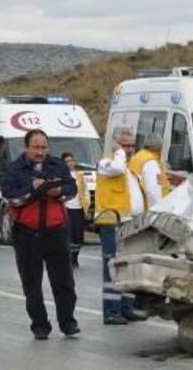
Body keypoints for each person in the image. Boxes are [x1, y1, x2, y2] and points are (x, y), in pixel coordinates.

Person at [0, 129, 79, 340]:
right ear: (27, 147)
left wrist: (58, 191)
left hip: (56, 232)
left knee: (64, 282)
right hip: (27, 234)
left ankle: (68, 322)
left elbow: (72, 189)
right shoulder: (14, 168)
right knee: (32, 284)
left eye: (44, 147)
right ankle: (40, 325)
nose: (40, 152)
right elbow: (9, 195)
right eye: (36, 147)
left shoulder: (57, 165)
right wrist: (33, 188)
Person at [95, 126, 149, 325]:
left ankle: (126, 308)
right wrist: (117, 150)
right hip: (113, 223)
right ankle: (111, 311)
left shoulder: (130, 170)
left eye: (132, 145)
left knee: (129, 268)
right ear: (116, 144)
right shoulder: (107, 163)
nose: (129, 149)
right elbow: (116, 168)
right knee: (112, 268)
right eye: (125, 145)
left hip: (131, 223)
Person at [61, 152, 90, 270]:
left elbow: (85, 191)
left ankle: (75, 256)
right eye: (67, 161)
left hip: (79, 209)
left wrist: (86, 205)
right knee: (69, 234)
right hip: (67, 208)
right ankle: (68, 259)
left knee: (78, 236)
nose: (70, 163)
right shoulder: (62, 176)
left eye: (71, 160)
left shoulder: (80, 176)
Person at [129, 133, 171, 208]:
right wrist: (158, 210)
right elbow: (153, 191)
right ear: (158, 147)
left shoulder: (139, 156)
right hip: (148, 209)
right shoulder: (151, 163)